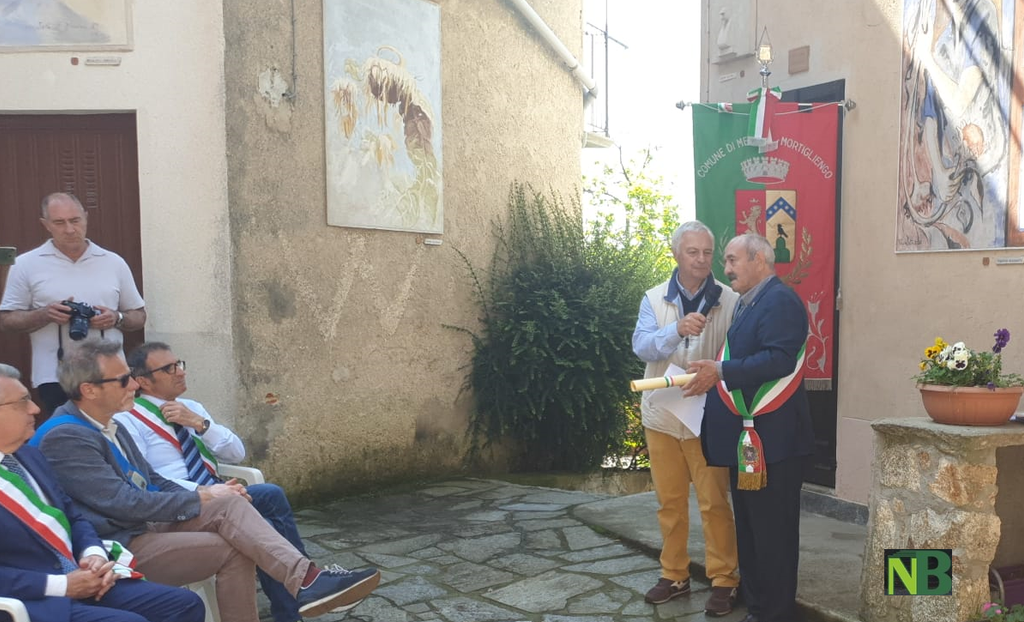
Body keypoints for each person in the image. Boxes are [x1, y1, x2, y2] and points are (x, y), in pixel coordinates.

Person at [31, 339, 380, 622]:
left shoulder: (109, 424)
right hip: (117, 545)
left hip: (144, 523)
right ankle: (304, 586)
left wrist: (210, 493)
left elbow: (153, 480)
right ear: (89, 390)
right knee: (233, 546)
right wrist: (201, 498)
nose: (134, 384)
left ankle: (308, 581)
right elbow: (125, 503)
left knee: (232, 504)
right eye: (123, 379)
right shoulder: (66, 436)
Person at [115, 341, 309, 622]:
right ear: (143, 381)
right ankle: (295, 604)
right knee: (263, 525)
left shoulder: (192, 407)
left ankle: (300, 593)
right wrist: (206, 491)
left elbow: (236, 453)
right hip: (180, 503)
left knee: (270, 493)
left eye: (179, 364)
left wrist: (200, 424)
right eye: (169, 369)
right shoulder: (130, 418)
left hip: (220, 491)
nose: (180, 372)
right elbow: (146, 478)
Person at [0, 362, 205, 622]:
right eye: (22, 402)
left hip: (84, 577)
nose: (35, 408)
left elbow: (73, 517)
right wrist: (63, 585)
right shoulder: (61, 436)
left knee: (184, 604)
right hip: (31, 600)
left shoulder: (29, 457)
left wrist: (92, 554)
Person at [684, 233, 815, 622]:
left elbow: (778, 360)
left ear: (760, 260)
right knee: (752, 533)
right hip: (752, 441)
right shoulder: (748, 302)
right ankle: (758, 609)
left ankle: (776, 613)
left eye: (732, 260)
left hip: (776, 442)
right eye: (726, 261)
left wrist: (721, 370)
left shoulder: (780, 301)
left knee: (773, 536)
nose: (725, 269)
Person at [631, 221, 740, 616]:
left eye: (707, 252)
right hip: (662, 415)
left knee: (714, 503)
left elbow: (738, 353)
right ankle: (674, 574)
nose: (701, 260)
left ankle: (724, 579)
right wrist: (675, 330)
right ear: (676, 254)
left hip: (707, 416)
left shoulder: (729, 299)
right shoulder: (653, 297)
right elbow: (642, 347)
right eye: (692, 252)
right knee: (670, 502)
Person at [0, 192, 146, 418]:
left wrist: (116, 318)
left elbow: (139, 316)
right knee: (67, 432)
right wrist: (45, 314)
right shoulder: (25, 264)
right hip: (56, 377)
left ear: (86, 218)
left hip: (112, 374)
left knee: (117, 431)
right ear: (45, 224)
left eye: (75, 220)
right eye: (59, 222)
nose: (69, 229)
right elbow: (6, 320)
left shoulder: (113, 262)